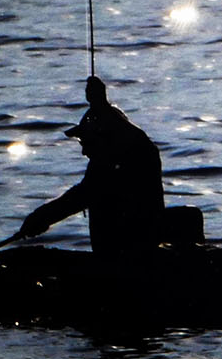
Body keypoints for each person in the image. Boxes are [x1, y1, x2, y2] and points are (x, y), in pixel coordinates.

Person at [16, 75, 173, 258]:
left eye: (85, 141)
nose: (83, 151)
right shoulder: (111, 160)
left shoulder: (122, 161)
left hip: (128, 257)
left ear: (102, 137)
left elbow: (81, 196)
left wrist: (40, 218)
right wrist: (100, 106)